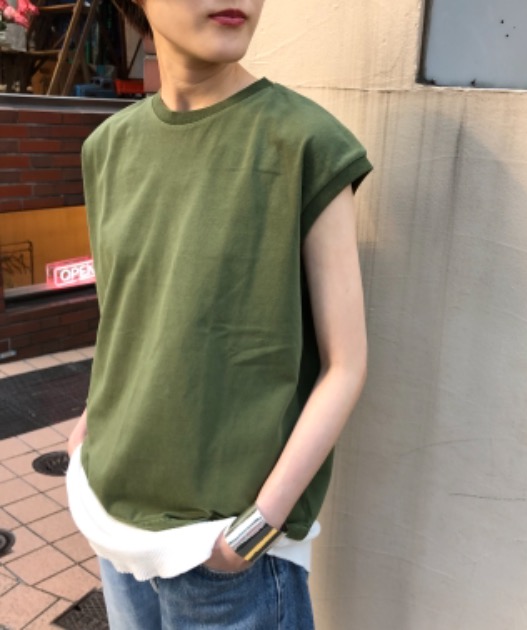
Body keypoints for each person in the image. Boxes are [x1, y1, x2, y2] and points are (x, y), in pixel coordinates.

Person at [66, 0, 372, 628]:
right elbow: (129, 315)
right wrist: (88, 432)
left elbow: (346, 365)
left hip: (227, 556)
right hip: (112, 523)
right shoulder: (107, 148)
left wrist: (252, 533)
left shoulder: (305, 143)